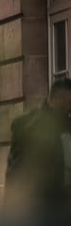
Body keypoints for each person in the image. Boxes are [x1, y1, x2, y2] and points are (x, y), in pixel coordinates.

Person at [6, 77, 71, 212]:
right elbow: (15, 171)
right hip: (40, 206)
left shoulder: (68, 124)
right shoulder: (26, 125)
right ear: (61, 98)